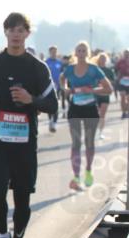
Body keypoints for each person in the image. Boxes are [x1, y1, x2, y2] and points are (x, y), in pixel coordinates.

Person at [0, 13, 58, 238]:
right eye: (11, 29)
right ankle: (2, 235)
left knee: (22, 198)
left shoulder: (37, 67)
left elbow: (53, 104)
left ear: (27, 34)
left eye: (21, 30)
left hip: (24, 143)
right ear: (5, 32)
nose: (16, 34)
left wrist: (30, 99)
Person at [61, 42, 113, 190]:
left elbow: (108, 88)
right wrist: (65, 89)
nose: (82, 52)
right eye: (79, 50)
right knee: (76, 143)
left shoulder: (94, 70)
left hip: (90, 109)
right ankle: (76, 177)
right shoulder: (70, 69)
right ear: (75, 53)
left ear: (88, 53)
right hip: (75, 109)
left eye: (84, 50)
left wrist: (91, 90)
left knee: (89, 143)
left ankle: (88, 170)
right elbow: (62, 79)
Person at [94, 52, 114, 139]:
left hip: (105, 95)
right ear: (98, 59)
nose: (102, 60)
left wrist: (106, 84)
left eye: (104, 58)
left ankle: (100, 132)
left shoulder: (109, 71)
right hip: (96, 94)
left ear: (106, 60)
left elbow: (112, 81)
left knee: (102, 114)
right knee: (96, 114)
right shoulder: (95, 70)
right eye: (101, 58)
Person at [45, 46, 64, 133]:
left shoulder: (59, 63)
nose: (54, 53)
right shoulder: (46, 62)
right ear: (49, 52)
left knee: (56, 104)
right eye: (52, 51)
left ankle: (54, 123)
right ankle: (50, 120)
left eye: (55, 51)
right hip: (49, 87)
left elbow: (62, 75)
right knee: (49, 105)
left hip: (58, 87)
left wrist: (62, 84)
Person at [115, 49, 129, 118]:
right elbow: (116, 70)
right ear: (123, 54)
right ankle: (123, 113)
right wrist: (118, 77)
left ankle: (127, 112)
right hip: (122, 81)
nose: (127, 54)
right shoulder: (120, 62)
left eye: (128, 53)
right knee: (122, 97)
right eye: (125, 53)